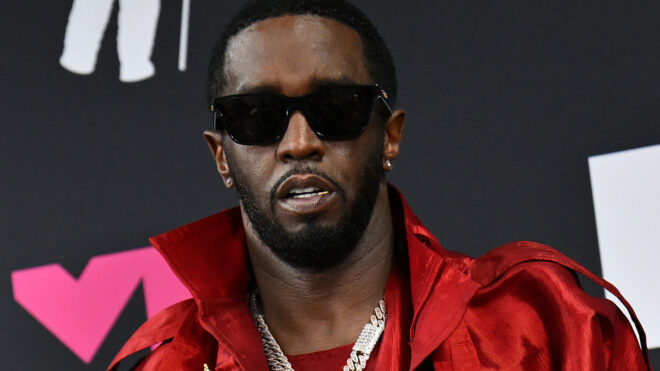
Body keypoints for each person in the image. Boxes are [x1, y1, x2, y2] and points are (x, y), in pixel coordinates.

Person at [108, 0, 650, 370]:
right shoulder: (174, 363)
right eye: (255, 115)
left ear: (389, 138)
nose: (298, 142)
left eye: (335, 108)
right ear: (221, 156)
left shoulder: (543, 328)